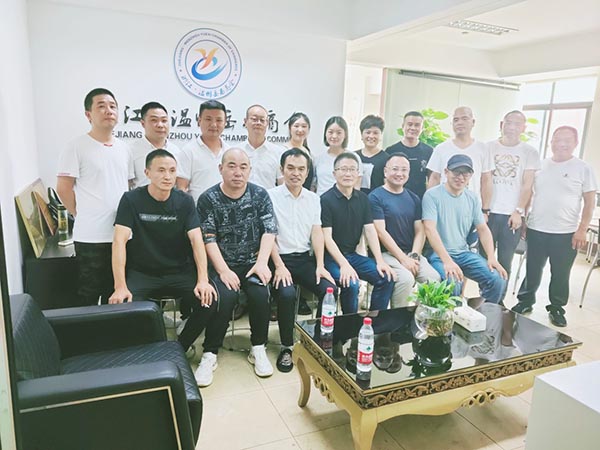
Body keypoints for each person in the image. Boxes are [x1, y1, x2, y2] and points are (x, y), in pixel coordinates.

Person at [108, 149, 216, 354]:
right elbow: (119, 241)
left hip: (179, 271)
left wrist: (203, 280)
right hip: (142, 272)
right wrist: (119, 286)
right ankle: (148, 350)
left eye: (172, 171)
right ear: (147, 173)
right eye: (161, 170)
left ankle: (179, 348)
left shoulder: (185, 201)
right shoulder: (131, 200)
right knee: (123, 306)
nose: (167, 176)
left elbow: (196, 240)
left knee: (209, 300)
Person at [195, 148, 278, 386]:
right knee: (226, 297)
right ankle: (210, 353)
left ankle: (258, 347)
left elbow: (269, 230)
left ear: (250, 170)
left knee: (260, 293)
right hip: (222, 264)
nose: (237, 172)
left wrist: (261, 263)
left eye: (243, 167)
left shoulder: (260, 195)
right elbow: (208, 238)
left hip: (252, 263)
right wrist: (223, 270)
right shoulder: (208, 198)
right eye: (231, 166)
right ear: (220, 169)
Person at [513, 127, 597, 327]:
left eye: (567, 140)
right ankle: (525, 300)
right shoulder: (540, 166)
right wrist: (525, 220)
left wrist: (582, 229)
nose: (561, 144)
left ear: (575, 143)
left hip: (566, 232)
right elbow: (530, 194)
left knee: (560, 272)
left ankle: (556, 307)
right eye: (557, 140)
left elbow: (590, 202)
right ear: (551, 142)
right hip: (537, 228)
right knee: (533, 268)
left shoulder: (583, 168)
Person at [57, 88, 133, 306]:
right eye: (101, 106)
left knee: (117, 294)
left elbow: (127, 185)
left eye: (112, 106)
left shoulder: (124, 148)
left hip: (121, 236)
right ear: (88, 114)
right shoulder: (76, 146)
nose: (109, 110)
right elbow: (63, 188)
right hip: (91, 237)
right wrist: (80, 213)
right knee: (88, 295)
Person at [268, 148, 337, 372]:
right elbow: (268, 236)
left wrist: (320, 265)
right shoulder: (270, 196)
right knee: (287, 294)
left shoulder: (314, 199)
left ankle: (318, 341)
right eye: (290, 168)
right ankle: (287, 346)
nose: (295, 173)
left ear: (307, 173)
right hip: (278, 260)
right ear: (282, 169)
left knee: (329, 290)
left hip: (305, 260)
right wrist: (279, 266)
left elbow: (317, 233)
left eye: (301, 169)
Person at [422, 154, 508, 302]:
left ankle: (483, 313)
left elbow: (482, 229)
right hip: (438, 255)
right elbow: (429, 229)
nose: (460, 177)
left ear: (471, 176)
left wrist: (491, 257)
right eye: (456, 172)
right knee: (454, 283)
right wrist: (447, 261)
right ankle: (451, 315)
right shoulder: (432, 195)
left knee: (497, 278)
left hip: (463, 253)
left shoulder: (472, 198)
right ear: (446, 172)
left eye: (465, 173)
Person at [321, 152, 395, 313]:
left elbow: (370, 230)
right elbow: (327, 238)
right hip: (331, 258)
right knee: (351, 283)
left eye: (352, 169)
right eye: (343, 169)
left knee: (386, 277)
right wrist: (344, 265)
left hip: (353, 255)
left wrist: (380, 261)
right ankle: (350, 324)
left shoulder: (363, 199)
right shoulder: (325, 200)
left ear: (357, 173)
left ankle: (375, 322)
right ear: (334, 173)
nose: (348, 174)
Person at [369, 154, 440, 307]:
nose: (399, 173)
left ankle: (419, 316)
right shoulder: (375, 197)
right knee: (405, 279)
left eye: (404, 170)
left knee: (433, 279)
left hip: (411, 253)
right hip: (386, 254)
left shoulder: (414, 198)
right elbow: (380, 232)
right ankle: (397, 319)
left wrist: (414, 256)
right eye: (395, 169)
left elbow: (420, 231)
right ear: (385, 171)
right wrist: (403, 259)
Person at [486, 110, 540, 297]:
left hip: (512, 215)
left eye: (517, 124)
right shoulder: (488, 147)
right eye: (508, 123)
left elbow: (527, 184)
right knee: (484, 258)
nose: (512, 127)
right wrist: (483, 210)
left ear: (523, 128)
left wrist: (518, 211)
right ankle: (484, 296)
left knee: (505, 260)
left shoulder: (529, 152)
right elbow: (483, 179)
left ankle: (499, 299)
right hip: (489, 212)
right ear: (501, 124)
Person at [427, 106, 492, 205]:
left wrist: (485, 209)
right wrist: (430, 204)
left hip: (472, 206)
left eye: (464, 118)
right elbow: (434, 178)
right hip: (445, 204)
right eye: (456, 120)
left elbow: (486, 180)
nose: (460, 123)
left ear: (473, 122)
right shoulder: (441, 148)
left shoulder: (483, 148)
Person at [177, 100, 229, 202]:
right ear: (199, 120)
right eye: (208, 119)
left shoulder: (230, 152)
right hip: (197, 209)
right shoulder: (188, 151)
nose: (213, 125)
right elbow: (181, 188)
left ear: (225, 122)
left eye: (219, 120)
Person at [382, 111, 433, 199]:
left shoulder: (428, 151)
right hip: (395, 198)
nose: (413, 128)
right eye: (409, 124)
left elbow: (431, 178)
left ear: (422, 128)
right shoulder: (391, 150)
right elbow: (385, 178)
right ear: (403, 126)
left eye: (417, 125)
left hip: (420, 198)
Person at [130, 102, 180, 189]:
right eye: (154, 120)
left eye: (164, 121)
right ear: (143, 123)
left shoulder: (177, 151)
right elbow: (127, 183)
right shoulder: (131, 150)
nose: (160, 125)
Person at [314, 116, 361, 196]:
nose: (334, 136)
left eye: (339, 133)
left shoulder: (353, 158)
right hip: (321, 201)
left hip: (345, 201)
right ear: (325, 134)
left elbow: (356, 187)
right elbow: (313, 186)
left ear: (345, 135)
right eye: (330, 132)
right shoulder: (318, 159)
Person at [243, 104, 284, 189]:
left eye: (262, 120)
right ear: (245, 121)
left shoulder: (278, 153)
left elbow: (282, 185)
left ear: (267, 123)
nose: (258, 123)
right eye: (254, 119)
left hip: (268, 197)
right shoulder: (236, 151)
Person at [355, 114, 389, 194]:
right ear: (361, 135)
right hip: (355, 199)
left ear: (381, 135)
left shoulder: (387, 159)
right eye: (368, 132)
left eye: (375, 133)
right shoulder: (353, 157)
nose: (371, 136)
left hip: (377, 199)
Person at [285, 112, 315, 190]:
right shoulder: (282, 150)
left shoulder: (309, 153)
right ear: (290, 128)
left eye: (304, 126)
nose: (300, 130)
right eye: (296, 126)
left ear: (308, 129)